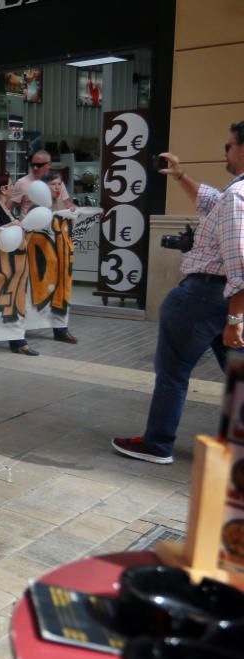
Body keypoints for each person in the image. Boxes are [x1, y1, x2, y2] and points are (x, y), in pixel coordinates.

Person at [112, 125, 244, 464]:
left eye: (228, 145)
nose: (224, 152)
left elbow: (240, 264)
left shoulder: (238, 197)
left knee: (173, 373)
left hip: (205, 295)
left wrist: (235, 318)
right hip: (218, 298)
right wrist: (181, 176)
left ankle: (157, 443)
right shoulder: (233, 195)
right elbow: (211, 201)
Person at [0, 173, 38, 356]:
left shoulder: (5, 208)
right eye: (11, 185)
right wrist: (14, 225)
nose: (13, 188)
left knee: (2, 302)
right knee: (1, 301)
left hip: (11, 264)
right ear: (3, 189)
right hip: (1, 265)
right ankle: (17, 341)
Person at [12, 150, 76, 215]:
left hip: (52, 223)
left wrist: (72, 207)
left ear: (49, 165)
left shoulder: (57, 181)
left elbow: (66, 202)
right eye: (32, 165)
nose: (35, 168)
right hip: (29, 223)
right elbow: (9, 207)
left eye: (39, 165)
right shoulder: (22, 183)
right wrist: (14, 221)